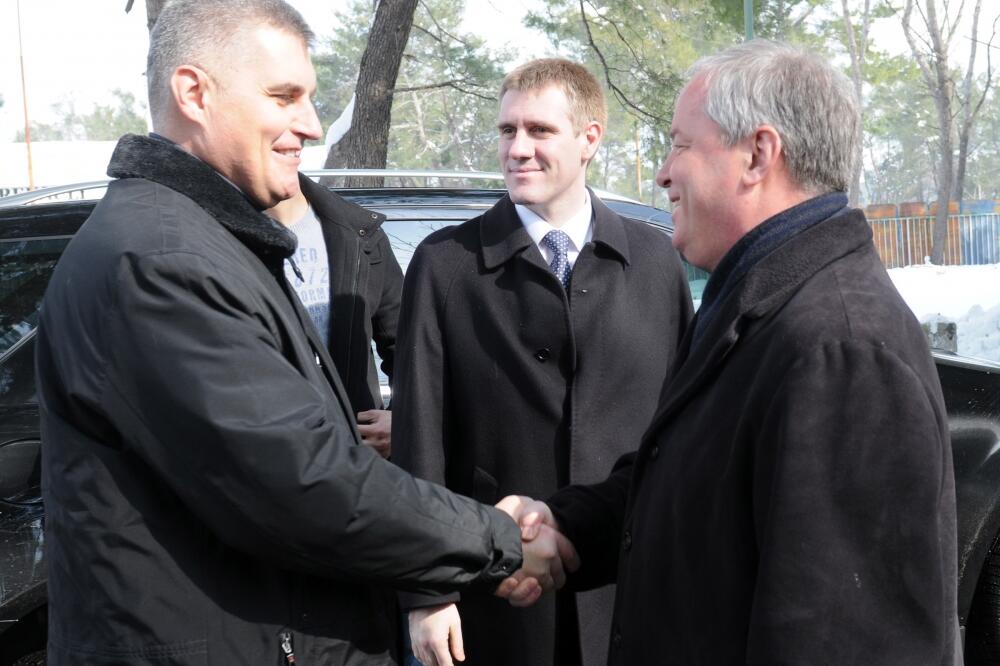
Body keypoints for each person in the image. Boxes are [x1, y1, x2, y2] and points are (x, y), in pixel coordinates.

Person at [34, 1, 573, 663]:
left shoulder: (204, 244)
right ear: (193, 92)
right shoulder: (162, 261)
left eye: (309, 99)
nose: (311, 126)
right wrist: (500, 537)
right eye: (284, 97)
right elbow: (304, 484)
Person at [507, 39, 960, 664]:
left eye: (681, 145)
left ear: (758, 155)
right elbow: (694, 486)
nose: (663, 172)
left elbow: (842, 639)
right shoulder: (757, 303)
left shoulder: (840, 348)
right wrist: (566, 526)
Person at [392, 58, 693, 666]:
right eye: (507, 131)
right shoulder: (445, 264)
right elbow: (419, 440)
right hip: (496, 597)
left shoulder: (656, 262)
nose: (517, 149)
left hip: (631, 594)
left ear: (589, 139)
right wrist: (428, 594)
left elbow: (684, 430)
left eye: (539, 131)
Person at [268, 175, 402, 458]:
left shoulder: (360, 233)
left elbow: (409, 350)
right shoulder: (216, 234)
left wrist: (403, 422)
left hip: (356, 464)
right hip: (268, 463)